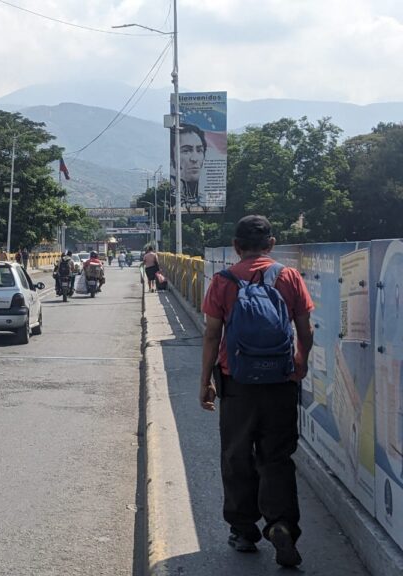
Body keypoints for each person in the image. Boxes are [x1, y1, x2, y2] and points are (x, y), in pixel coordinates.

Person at [199, 215, 314, 567]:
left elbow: (212, 335)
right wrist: (301, 361)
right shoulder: (289, 276)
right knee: (276, 456)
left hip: (237, 383)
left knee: (236, 455)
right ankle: (281, 524)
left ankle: (243, 529)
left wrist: (205, 381)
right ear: (271, 244)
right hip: (280, 381)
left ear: (236, 246)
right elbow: (305, 329)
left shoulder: (223, 281)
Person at [170, 123, 207, 208]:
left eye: (199, 150)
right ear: (172, 159)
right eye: (186, 151)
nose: (194, 159)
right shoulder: (172, 197)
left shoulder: (210, 195)